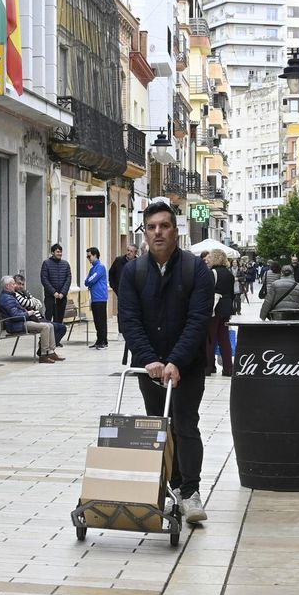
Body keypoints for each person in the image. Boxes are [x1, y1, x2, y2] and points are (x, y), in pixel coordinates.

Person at [118, 200, 214, 525]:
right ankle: (169, 486)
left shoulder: (195, 269)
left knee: (186, 424)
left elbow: (199, 319)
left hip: (187, 368)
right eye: (152, 227)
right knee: (160, 426)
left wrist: (176, 361)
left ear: (175, 231)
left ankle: (191, 492)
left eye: (164, 226)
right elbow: (128, 321)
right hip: (150, 369)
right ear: (145, 233)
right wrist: (149, 360)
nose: (158, 232)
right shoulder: (133, 271)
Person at [0, 276, 64, 362]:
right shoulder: (6, 298)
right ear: (7, 286)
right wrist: (28, 313)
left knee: (50, 325)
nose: (15, 286)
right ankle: (43, 355)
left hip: (21, 321)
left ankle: (50, 352)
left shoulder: (10, 296)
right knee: (46, 327)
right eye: (13, 284)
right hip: (16, 324)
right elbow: (15, 315)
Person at [205, 250, 237, 377]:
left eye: (210, 257)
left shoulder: (212, 273)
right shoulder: (229, 274)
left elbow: (207, 291)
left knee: (210, 339)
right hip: (226, 308)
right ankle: (228, 369)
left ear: (215, 259)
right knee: (224, 339)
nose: (208, 260)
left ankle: (208, 368)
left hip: (214, 308)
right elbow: (231, 293)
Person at [40, 244, 73, 335]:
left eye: (61, 251)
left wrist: (63, 293)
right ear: (52, 252)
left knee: (59, 318)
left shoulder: (65, 264)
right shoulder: (46, 263)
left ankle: (57, 339)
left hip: (62, 297)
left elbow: (68, 278)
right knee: (48, 317)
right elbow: (44, 279)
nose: (60, 253)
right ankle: (46, 338)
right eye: (58, 251)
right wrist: (53, 292)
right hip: (50, 296)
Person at [84, 247, 110, 349]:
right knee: (97, 321)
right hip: (94, 298)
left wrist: (88, 282)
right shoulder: (92, 268)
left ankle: (104, 341)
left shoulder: (100, 267)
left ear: (95, 255)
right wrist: (88, 281)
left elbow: (90, 280)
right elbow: (86, 281)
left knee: (101, 321)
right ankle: (99, 340)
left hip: (100, 298)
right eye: (87, 256)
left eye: (89, 256)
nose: (88, 258)